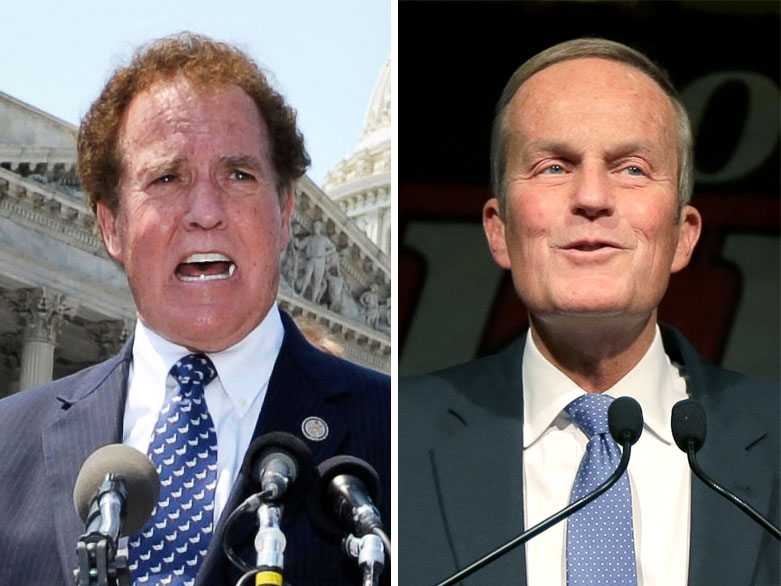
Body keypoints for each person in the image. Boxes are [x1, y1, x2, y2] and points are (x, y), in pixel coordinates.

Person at [0, 33, 390, 586]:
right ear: (111, 225)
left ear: (285, 213)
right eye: (166, 178)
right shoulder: (6, 445)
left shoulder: (396, 436)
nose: (205, 212)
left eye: (238, 175)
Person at [399, 38, 779, 586]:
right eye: (554, 167)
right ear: (499, 231)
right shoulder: (395, 438)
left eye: (631, 168)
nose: (593, 197)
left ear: (682, 236)